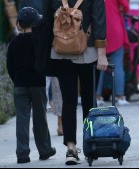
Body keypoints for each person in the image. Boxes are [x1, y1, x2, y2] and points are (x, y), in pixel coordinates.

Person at [40, 0, 108, 165]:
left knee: (68, 102)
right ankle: (90, 144)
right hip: (88, 50)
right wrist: (102, 54)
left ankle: (71, 148)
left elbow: (46, 22)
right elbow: (99, 21)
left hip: (60, 51)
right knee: (89, 101)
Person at [6, 7, 56, 164]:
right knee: (40, 117)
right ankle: (45, 150)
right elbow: (45, 61)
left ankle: (22, 154)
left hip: (20, 84)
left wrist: (16, 80)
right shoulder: (39, 40)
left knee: (22, 118)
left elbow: (10, 65)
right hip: (38, 84)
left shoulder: (14, 42)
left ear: (19, 25)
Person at [96, 0, 130, 107]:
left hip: (98, 28)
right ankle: (120, 97)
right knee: (118, 66)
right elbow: (125, 6)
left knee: (99, 65)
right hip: (115, 28)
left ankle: (98, 96)